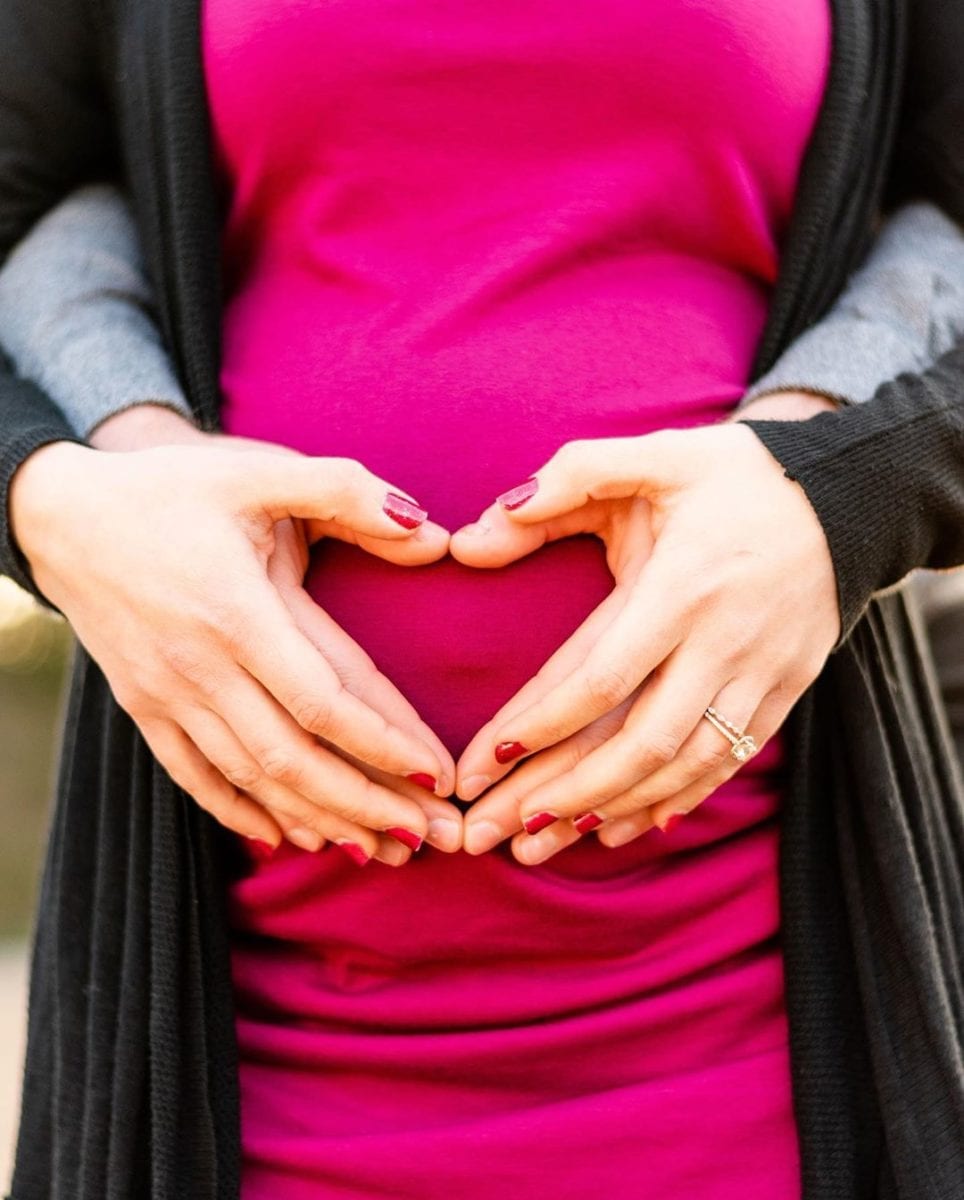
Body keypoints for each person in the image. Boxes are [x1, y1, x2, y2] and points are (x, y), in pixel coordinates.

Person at [0, 2, 962, 1198]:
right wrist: (59, 495)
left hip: (750, 1032)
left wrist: (840, 482)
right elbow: (21, 205)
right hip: (246, 1064)